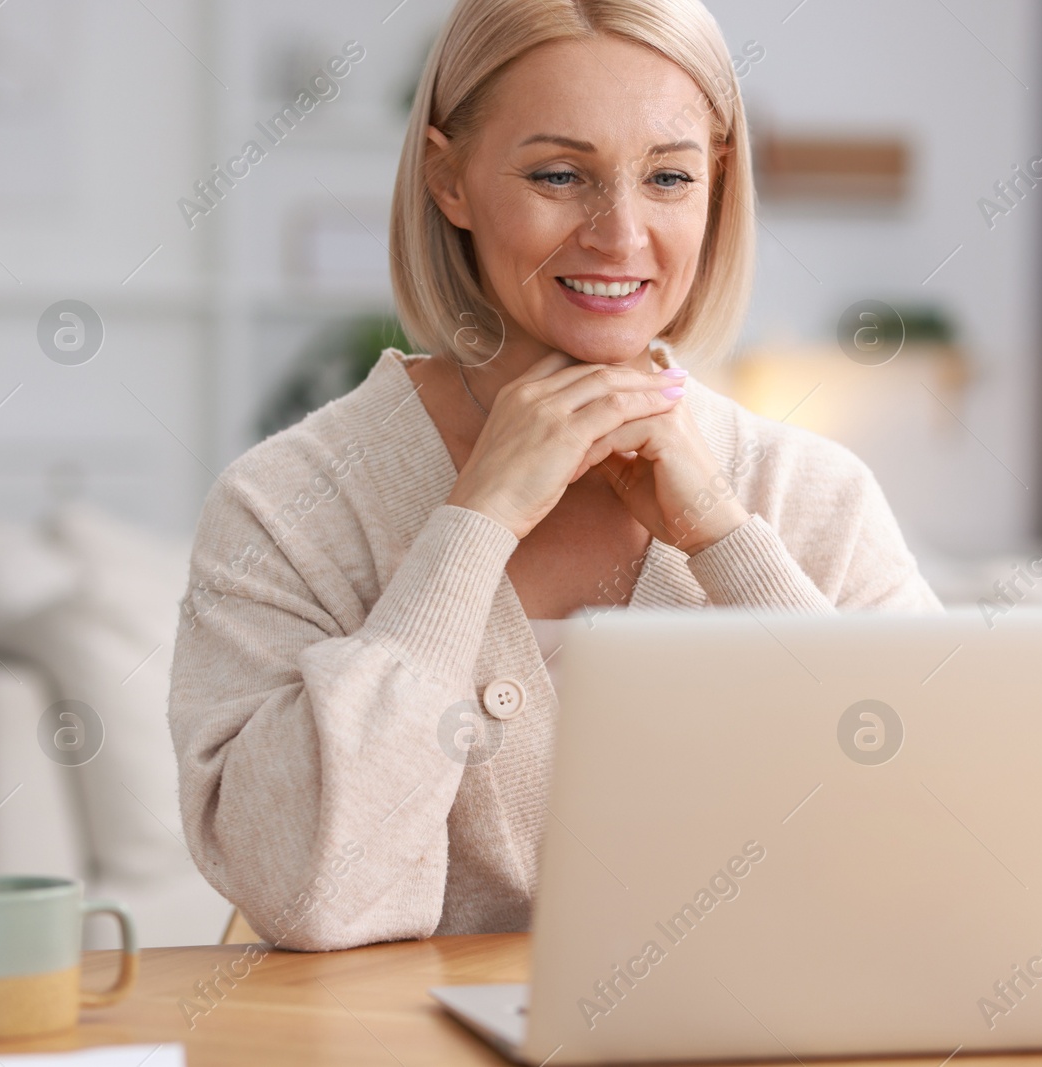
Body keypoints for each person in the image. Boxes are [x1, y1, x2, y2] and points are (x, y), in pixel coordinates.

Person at [169, 0, 940, 951]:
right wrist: (472, 527)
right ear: (450, 179)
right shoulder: (285, 505)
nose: (619, 236)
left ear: (717, 185)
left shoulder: (813, 494)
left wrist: (727, 543)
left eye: (668, 176)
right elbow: (302, 893)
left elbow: (931, 853)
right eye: (559, 175)